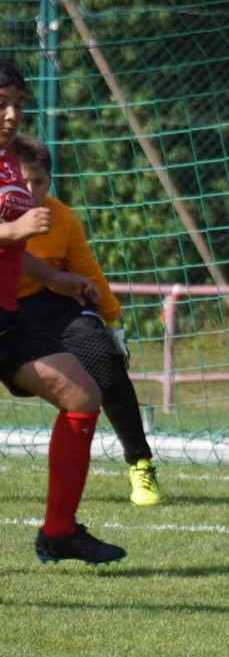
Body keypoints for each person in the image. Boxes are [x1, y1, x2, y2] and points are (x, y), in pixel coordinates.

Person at [0, 59, 126, 564]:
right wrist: (15, 230)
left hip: (6, 315)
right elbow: (10, 235)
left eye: (17, 105)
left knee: (82, 394)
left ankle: (58, 532)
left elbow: (11, 248)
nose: (11, 115)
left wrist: (52, 277)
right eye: (1, 104)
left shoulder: (9, 164)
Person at [12, 134, 162, 506]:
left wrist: (113, 322)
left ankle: (140, 463)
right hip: (6, 308)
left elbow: (88, 273)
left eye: (39, 182)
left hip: (51, 304)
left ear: (50, 181)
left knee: (104, 359)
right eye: (22, 181)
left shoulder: (62, 220)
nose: (30, 191)